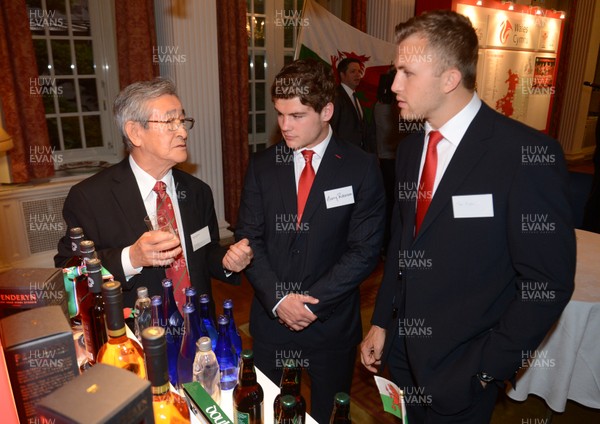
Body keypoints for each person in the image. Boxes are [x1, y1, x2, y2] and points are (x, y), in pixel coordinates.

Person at [360, 11, 576, 423]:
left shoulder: (525, 156)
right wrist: (382, 322)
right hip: (403, 357)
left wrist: (483, 371)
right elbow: (404, 243)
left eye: (407, 72)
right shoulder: (409, 150)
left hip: (463, 371)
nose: (394, 85)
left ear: (449, 78)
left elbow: (547, 283)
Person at [236, 58, 385, 423]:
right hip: (272, 322)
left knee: (329, 414)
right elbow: (249, 237)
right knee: (270, 413)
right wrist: (279, 300)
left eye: (297, 115)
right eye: (280, 114)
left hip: (330, 325)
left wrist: (309, 306)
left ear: (327, 111)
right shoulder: (262, 165)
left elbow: (365, 250)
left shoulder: (361, 167)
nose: (284, 126)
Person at [55, 78, 253, 308]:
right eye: (170, 121)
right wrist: (131, 258)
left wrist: (227, 261)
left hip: (198, 328)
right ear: (135, 132)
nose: (183, 132)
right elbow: (69, 272)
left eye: (182, 121)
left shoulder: (197, 192)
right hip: (134, 334)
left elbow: (204, 253)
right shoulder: (90, 197)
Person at [330, 57, 376, 152]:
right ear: (342, 75)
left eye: (359, 71)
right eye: (353, 71)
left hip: (359, 154)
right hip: (343, 155)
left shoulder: (355, 96)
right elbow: (332, 128)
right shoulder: (336, 96)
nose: (357, 75)